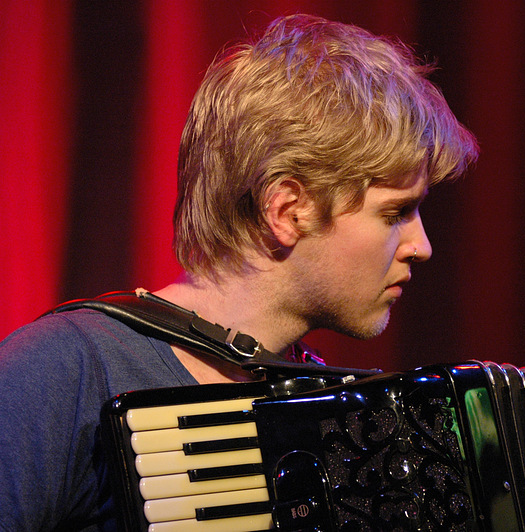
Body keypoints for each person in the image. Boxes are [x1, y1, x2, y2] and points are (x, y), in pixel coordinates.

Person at [0, 14, 478, 531]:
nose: (422, 246)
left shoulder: (335, 414)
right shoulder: (61, 370)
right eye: (394, 213)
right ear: (287, 211)